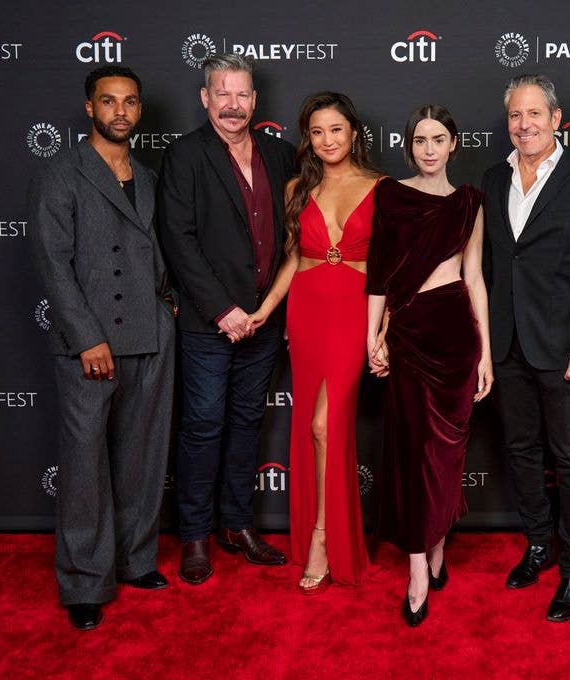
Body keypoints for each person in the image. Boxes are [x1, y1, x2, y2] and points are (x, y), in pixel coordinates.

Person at [28, 65, 176, 630]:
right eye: (108, 101)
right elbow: (52, 263)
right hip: (91, 341)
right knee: (86, 461)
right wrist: (87, 337)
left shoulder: (148, 174)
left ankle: (136, 560)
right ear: (89, 108)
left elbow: (159, 251)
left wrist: (169, 310)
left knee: (142, 456)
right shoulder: (61, 173)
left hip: (151, 334)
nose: (120, 111)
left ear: (139, 110)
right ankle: (86, 582)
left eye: (130, 102)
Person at [482, 74, 570, 623]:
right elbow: (491, 266)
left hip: (567, 349)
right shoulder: (494, 180)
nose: (525, 124)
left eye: (535, 114)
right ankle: (539, 546)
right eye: (516, 115)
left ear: (557, 119)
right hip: (508, 344)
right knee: (521, 451)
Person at [158, 54, 293, 584]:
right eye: (223, 94)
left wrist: (260, 313)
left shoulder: (280, 154)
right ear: (205, 98)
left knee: (245, 425)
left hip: (263, 321)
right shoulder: (185, 156)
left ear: (255, 100)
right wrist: (224, 310)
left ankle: (236, 525)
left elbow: (293, 236)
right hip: (209, 323)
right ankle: (194, 535)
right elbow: (179, 240)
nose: (233, 105)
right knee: (203, 427)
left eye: (243, 95)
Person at [365, 105, 492, 627]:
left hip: (456, 337)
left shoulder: (469, 203)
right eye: (420, 140)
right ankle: (419, 566)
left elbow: (474, 277)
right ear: (409, 146)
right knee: (413, 453)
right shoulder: (390, 196)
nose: (430, 149)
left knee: (446, 456)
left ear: (454, 144)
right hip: (408, 333)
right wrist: (372, 336)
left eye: (439, 138)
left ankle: (438, 540)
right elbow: (376, 276)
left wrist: (485, 351)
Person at [249, 92, 380, 593]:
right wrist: (264, 311)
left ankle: (324, 538)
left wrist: (382, 331)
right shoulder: (294, 190)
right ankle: (317, 532)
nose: (328, 141)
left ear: (354, 133)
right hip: (307, 311)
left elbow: (386, 270)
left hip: (354, 312)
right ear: (309, 138)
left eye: (337, 130)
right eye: (318, 132)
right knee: (311, 425)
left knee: (327, 424)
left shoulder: (382, 189)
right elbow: (293, 262)